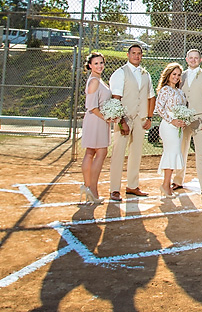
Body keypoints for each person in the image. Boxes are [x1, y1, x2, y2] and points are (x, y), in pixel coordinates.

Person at [107, 44, 156, 202]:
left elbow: (151, 96)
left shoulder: (145, 74)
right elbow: (116, 99)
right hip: (125, 118)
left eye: (139, 53)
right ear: (128, 55)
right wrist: (121, 122)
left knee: (136, 153)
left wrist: (149, 117)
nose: (136, 56)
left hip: (140, 119)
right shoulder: (120, 73)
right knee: (118, 153)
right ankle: (114, 189)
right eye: (133, 53)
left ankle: (132, 185)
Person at [176, 49, 202, 199]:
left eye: (196, 58)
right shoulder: (181, 76)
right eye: (190, 58)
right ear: (186, 59)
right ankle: (177, 180)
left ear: (200, 60)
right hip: (183, 119)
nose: (193, 60)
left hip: (200, 119)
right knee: (181, 150)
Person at [80, 52, 114, 204]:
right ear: (89, 66)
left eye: (101, 63)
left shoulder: (98, 80)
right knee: (99, 152)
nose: (99, 66)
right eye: (96, 63)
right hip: (95, 119)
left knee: (92, 152)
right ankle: (92, 189)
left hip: (99, 119)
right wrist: (106, 117)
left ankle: (88, 187)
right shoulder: (94, 81)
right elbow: (92, 107)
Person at [154, 62, 189, 199]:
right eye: (174, 74)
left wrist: (183, 120)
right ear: (168, 75)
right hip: (169, 126)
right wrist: (172, 120)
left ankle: (166, 184)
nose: (176, 77)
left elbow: (183, 109)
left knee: (174, 153)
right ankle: (165, 185)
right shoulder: (165, 90)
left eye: (178, 75)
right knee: (171, 153)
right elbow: (159, 108)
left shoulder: (180, 92)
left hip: (178, 127)